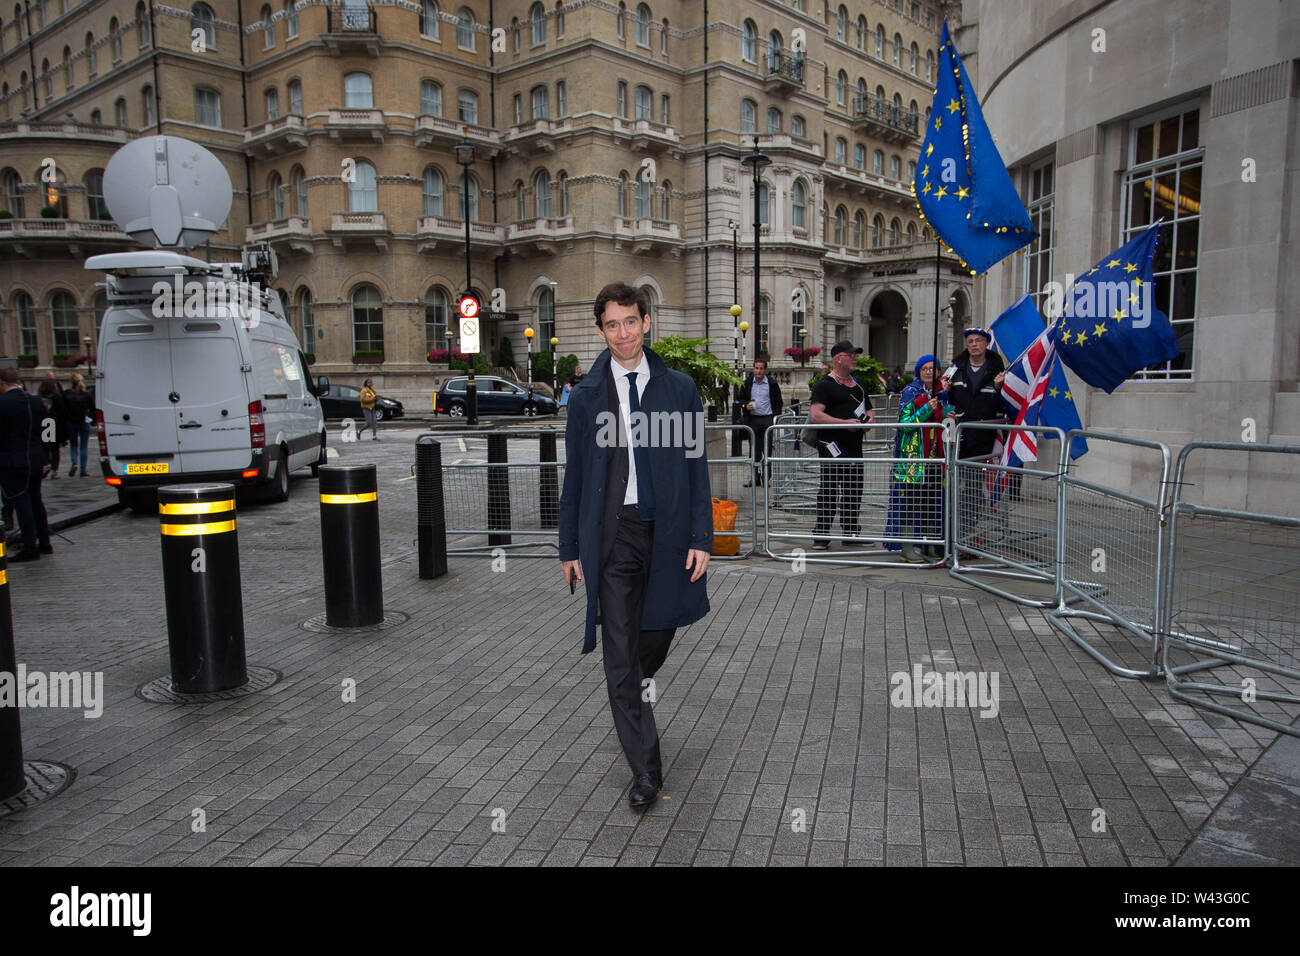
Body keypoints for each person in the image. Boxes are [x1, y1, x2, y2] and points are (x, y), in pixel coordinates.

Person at [559, 281, 712, 810]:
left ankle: (631, 687)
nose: (622, 334)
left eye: (630, 322)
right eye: (611, 325)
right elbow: (574, 477)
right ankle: (645, 770)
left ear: (646, 322)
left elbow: (697, 468)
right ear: (600, 330)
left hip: (667, 535)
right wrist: (569, 548)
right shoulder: (585, 396)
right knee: (620, 655)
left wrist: (701, 537)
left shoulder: (679, 389)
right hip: (613, 537)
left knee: (655, 639)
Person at [808, 340, 874, 550]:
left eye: (856, 354)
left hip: (854, 445)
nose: (855, 358)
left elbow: (870, 411)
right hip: (831, 445)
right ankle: (821, 534)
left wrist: (868, 422)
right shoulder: (824, 385)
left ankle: (851, 531)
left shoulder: (859, 384)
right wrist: (844, 423)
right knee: (829, 487)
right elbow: (816, 415)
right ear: (839, 359)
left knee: (854, 488)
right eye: (851, 354)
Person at [884, 355, 948, 562]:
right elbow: (906, 423)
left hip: (934, 457)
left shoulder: (942, 393)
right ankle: (907, 546)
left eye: (933, 368)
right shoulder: (911, 392)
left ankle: (929, 544)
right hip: (913, 457)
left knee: (931, 502)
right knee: (910, 502)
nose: (929, 372)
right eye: (925, 369)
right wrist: (926, 408)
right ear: (919, 372)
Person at [946, 328, 1007, 541]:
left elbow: (1004, 407)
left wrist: (1000, 389)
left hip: (982, 438)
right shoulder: (956, 370)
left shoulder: (997, 372)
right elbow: (945, 401)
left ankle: (966, 528)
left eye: (978, 341)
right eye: (970, 341)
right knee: (954, 482)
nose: (974, 344)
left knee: (973, 484)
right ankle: (950, 528)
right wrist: (945, 394)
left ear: (986, 344)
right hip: (958, 436)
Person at [0, 367, 52, 561]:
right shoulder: (37, 402)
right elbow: (50, 428)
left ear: (2, 383)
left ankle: (30, 546)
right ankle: (45, 542)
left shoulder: (3, 403)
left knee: (21, 502)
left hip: (13, 461)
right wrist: (48, 456)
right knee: (36, 500)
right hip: (36, 459)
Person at [735, 355, 783, 486]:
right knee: (754, 450)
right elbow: (740, 399)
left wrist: (775, 418)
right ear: (753, 369)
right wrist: (746, 406)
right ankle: (754, 477)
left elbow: (779, 402)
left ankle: (766, 478)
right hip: (753, 420)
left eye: (761, 368)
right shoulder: (748, 383)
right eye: (756, 368)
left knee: (767, 450)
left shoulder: (772, 384)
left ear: (765, 370)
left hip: (767, 419)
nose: (759, 371)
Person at [61, 372, 93, 477]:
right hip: (84, 421)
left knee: (73, 445)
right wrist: (91, 419)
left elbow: (63, 409)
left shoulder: (67, 394)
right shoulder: (86, 394)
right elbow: (93, 408)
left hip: (71, 422)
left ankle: (74, 462)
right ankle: (83, 470)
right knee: (84, 447)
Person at [37, 374, 65, 480]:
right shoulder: (57, 398)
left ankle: (46, 464)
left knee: (45, 448)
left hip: (43, 424)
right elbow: (62, 413)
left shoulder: (39, 398)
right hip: (54, 425)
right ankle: (54, 471)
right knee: (55, 449)